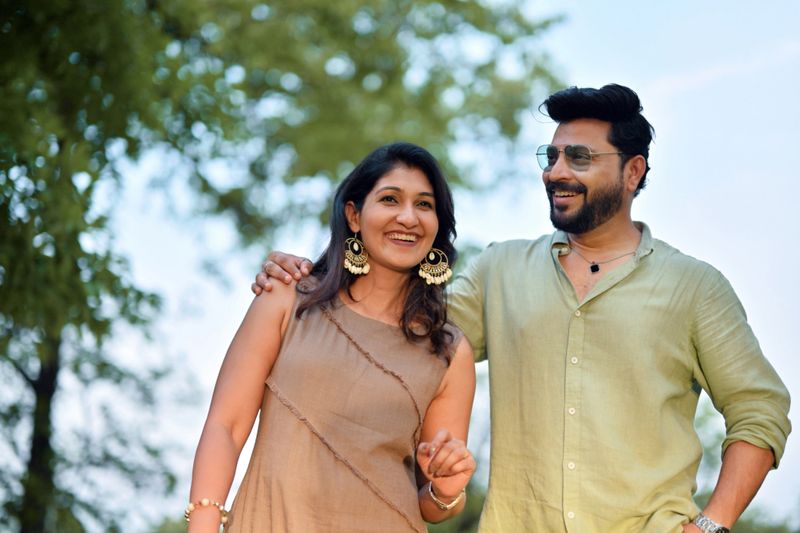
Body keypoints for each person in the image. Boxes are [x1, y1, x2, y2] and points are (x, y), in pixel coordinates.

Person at [254, 84, 791, 533]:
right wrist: (317, 275)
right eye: (551, 156)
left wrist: (712, 525)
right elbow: (395, 327)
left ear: (633, 173)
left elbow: (759, 412)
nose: (556, 171)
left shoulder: (694, 287)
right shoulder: (500, 271)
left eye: (579, 158)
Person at [189, 142, 476, 532]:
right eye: (390, 199)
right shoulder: (287, 297)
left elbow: (432, 502)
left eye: (425, 205)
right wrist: (203, 523)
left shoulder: (448, 351)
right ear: (354, 215)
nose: (408, 217)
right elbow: (226, 425)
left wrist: (447, 488)